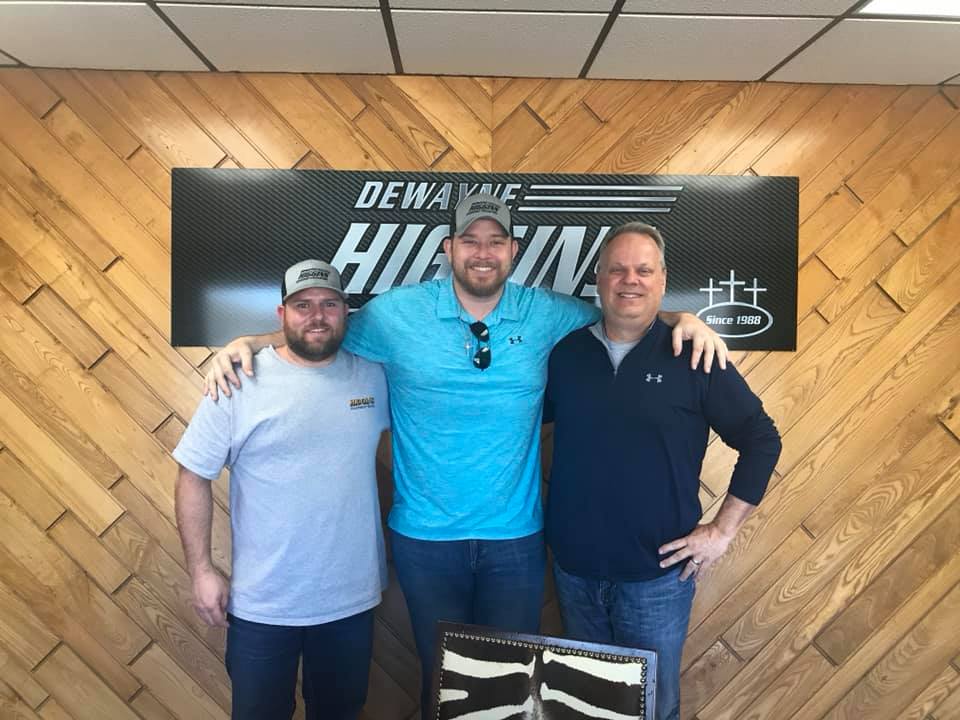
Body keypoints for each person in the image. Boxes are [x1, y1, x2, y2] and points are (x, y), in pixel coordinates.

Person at [202, 194, 728, 716]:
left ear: (513, 251)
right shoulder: (396, 314)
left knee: (513, 693)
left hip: (515, 541)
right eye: (470, 240)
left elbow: (624, 310)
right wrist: (251, 342)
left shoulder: (546, 313)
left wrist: (684, 317)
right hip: (426, 542)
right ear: (449, 248)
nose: (483, 252)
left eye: (495, 241)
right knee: (444, 687)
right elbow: (322, 331)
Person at [543, 222, 781, 720]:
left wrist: (722, 530)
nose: (630, 280)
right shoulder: (566, 355)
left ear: (663, 278)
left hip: (656, 582)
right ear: (598, 278)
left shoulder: (694, 354)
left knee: (652, 709)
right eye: (617, 270)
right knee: (585, 709)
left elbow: (762, 439)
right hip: (574, 574)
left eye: (643, 270)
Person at [174, 260, 390, 720]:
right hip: (263, 606)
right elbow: (192, 475)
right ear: (282, 314)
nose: (317, 316)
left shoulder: (374, 378)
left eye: (329, 304)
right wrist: (201, 570)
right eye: (302, 306)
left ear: (346, 311)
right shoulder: (237, 381)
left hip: (350, 601)